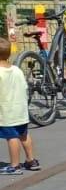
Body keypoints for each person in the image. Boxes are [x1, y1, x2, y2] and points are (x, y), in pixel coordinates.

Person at [0, 35, 39, 175]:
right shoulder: (17, 70)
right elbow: (24, 87)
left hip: (7, 112)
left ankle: (15, 166)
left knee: (12, 137)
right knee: (24, 135)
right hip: (21, 111)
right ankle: (31, 160)